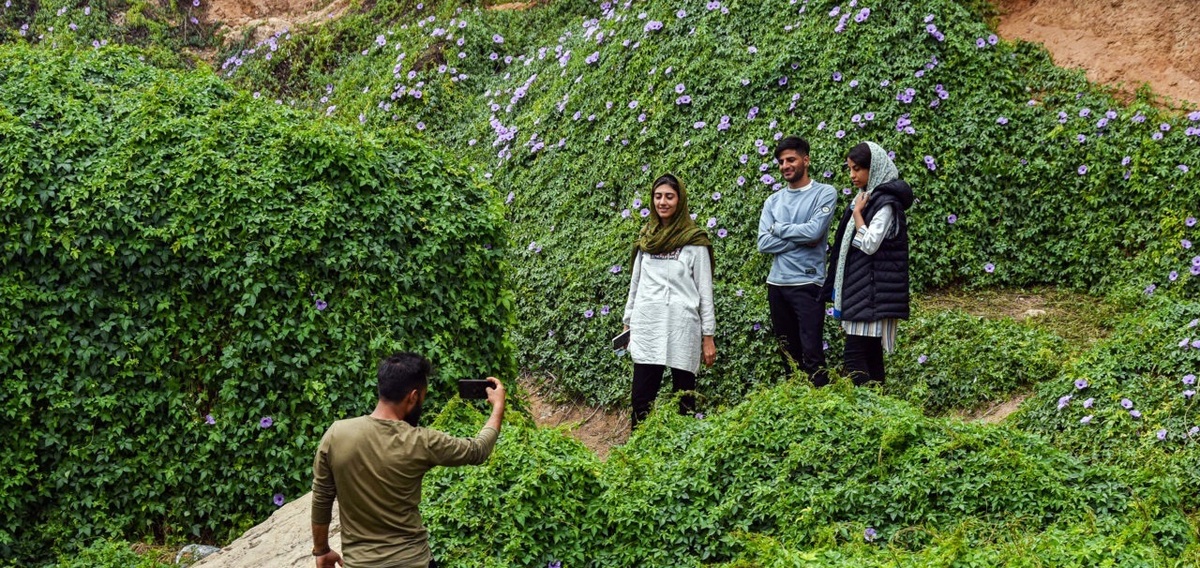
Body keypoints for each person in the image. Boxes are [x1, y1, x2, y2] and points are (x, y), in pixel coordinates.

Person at [310, 353, 506, 568]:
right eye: (423, 396)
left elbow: (322, 496)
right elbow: (478, 450)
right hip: (413, 562)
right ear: (413, 397)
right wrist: (497, 407)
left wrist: (322, 550)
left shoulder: (337, 434)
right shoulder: (422, 441)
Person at [622, 173, 716, 429]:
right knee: (642, 397)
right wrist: (627, 322)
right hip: (648, 324)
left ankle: (682, 453)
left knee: (684, 395)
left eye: (669, 197)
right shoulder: (646, 240)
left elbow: (704, 291)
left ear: (680, 200)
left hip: (682, 326)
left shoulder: (694, 242)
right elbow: (636, 285)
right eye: (658, 196)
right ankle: (638, 452)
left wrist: (708, 335)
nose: (663, 202)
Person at [824, 141, 914, 385]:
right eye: (850, 169)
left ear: (873, 168)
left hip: (872, 293)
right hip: (864, 291)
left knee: (854, 357)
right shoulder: (868, 197)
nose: (852, 175)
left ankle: (865, 412)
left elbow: (870, 244)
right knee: (871, 356)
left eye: (858, 169)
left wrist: (857, 216)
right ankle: (880, 412)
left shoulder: (884, 203)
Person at [757, 136, 839, 386]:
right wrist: (803, 236)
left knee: (812, 353)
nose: (785, 166)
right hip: (777, 285)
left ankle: (821, 406)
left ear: (806, 160)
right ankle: (795, 407)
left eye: (790, 159)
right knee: (789, 358)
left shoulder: (825, 193)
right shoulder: (773, 201)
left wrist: (780, 228)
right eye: (781, 162)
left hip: (808, 283)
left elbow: (815, 233)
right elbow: (764, 243)